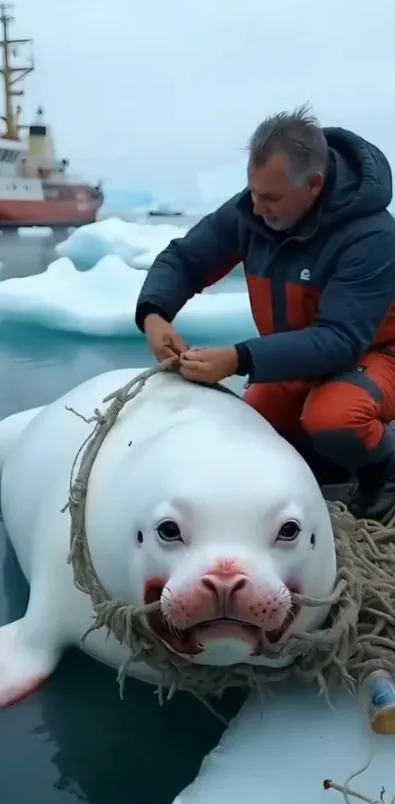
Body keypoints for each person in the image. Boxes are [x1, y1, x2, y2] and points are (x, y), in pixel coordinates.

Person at [134, 105, 395, 524]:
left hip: (375, 356)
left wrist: (238, 359)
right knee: (253, 422)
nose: (256, 208)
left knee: (334, 418)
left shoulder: (373, 236)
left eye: (270, 197)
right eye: (253, 192)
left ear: (313, 185)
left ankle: (385, 470)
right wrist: (154, 313)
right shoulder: (251, 212)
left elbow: (340, 340)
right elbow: (185, 259)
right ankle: (330, 470)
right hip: (301, 357)